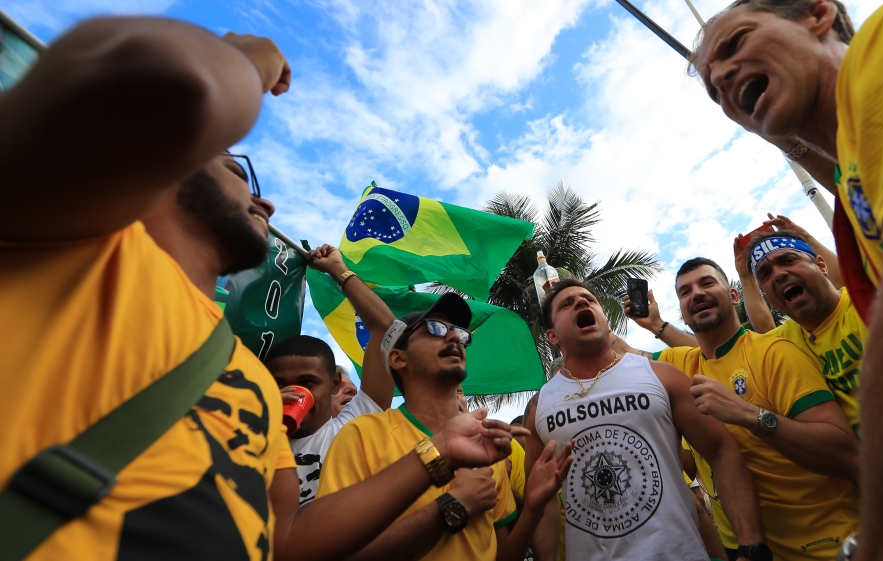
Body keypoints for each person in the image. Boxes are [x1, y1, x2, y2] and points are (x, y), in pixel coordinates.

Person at [0, 18, 522, 561]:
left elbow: (288, 540)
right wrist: (248, 60)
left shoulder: (249, 377)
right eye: (235, 168)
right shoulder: (74, 253)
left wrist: (434, 455)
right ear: (165, 168)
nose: (265, 203)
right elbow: (136, 83)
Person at [692, 1, 883, 558]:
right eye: (714, 88)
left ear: (816, 13)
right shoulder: (858, 199)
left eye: (735, 44)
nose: (723, 77)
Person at [741, 228, 883, 558]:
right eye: (766, 273)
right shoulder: (785, 344)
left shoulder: (872, 302)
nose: (779, 273)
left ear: (821, 264)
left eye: (788, 260)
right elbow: (726, 348)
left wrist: (811, 239)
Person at [625, 258, 859, 560]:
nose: (695, 293)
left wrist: (752, 416)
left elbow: (846, 456)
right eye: (685, 292)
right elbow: (617, 351)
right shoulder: (680, 363)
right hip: (747, 550)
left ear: (734, 296)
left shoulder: (774, 353)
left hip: (828, 546)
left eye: (707, 283)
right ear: (683, 313)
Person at [317, 293, 574, 561]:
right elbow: (334, 553)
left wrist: (532, 508)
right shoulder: (361, 436)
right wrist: (453, 508)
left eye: (458, 333)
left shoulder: (484, 445)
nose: (453, 338)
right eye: (435, 328)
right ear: (398, 358)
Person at [528, 278, 767, 561]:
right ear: (552, 335)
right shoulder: (539, 406)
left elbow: (722, 451)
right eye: (567, 304)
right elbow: (540, 501)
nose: (581, 302)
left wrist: (751, 547)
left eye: (589, 300)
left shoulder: (660, 375)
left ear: (606, 321)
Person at [267, 243, 394, 504]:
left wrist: (338, 270)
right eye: (280, 384)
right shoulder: (246, 436)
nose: (291, 392)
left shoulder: (350, 429)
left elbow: (387, 330)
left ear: (334, 383)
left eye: (307, 383)